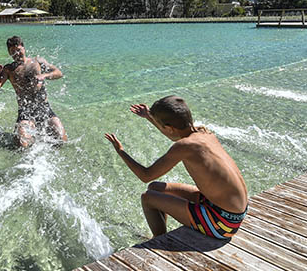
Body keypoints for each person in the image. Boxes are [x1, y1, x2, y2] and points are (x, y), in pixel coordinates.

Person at [105, 95, 248, 240]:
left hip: (223, 223)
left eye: (162, 127)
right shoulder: (204, 133)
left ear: (169, 128)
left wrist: (120, 151)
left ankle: (160, 239)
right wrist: (149, 116)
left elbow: (145, 175)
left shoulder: (184, 146)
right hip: (233, 213)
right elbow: (174, 134)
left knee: (147, 198)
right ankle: (161, 233)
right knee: (155, 187)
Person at [0, 35, 68, 148]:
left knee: (62, 140)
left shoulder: (37, 61)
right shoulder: (8, 69)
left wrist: (44, 75)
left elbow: (58, 73)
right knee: (22, 144)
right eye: (12, 51)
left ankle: (37, 130)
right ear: (9, 52)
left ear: (24, 48)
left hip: (44, 108)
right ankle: (26, 130)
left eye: (18, 50)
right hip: (25, 111)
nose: (16, 53)